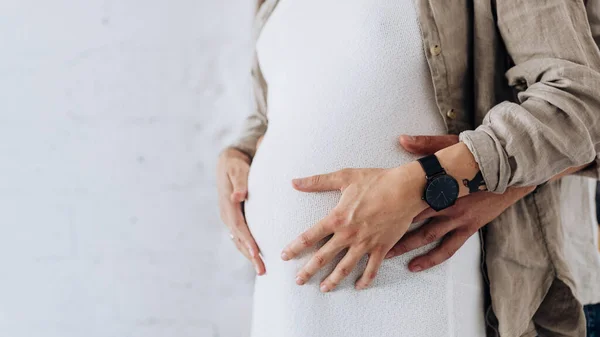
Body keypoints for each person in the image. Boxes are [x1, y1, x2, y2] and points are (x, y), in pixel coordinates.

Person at [217, 0, 600, 336]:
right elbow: (284, 100)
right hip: (287, 302)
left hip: (420, 286)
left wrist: (433, 181)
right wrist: (239, 154)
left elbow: (579, 102)